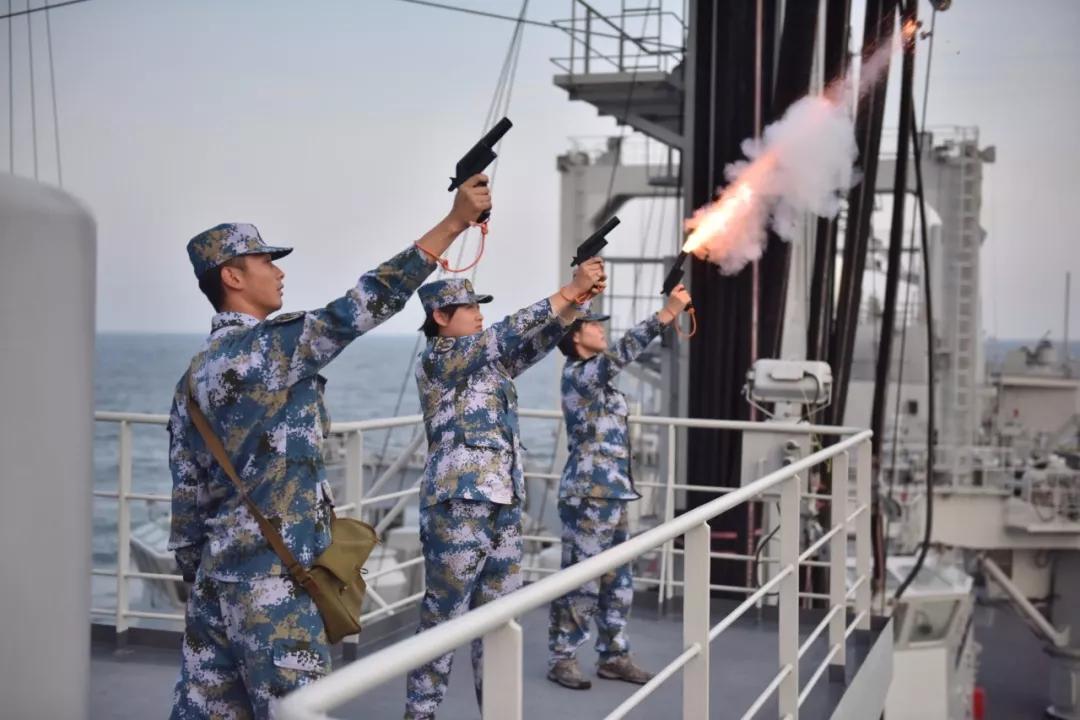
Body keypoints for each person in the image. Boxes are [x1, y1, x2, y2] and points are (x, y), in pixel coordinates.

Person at [167, 174, 490, 719]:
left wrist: (201, 577)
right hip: (276, 585)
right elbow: (363, 304)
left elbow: (187, 494)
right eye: (266, 262)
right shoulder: (267, 349)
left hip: (215, 583)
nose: (279, 270)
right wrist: (455, 223)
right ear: (232, 276)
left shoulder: (193, 377)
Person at [404, 258, 607, 719]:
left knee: (499, 624)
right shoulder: (440, 359)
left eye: (479, 306)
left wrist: (576, 304)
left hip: (503, 506)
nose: (478, 313)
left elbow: (534, 341)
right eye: (468, 307)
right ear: (439, 317)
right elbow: (508, 332)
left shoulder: (487, 366)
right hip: (457, 509)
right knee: (443, 621)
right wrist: (566, 288)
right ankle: (419, 715)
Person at [546, 284, 693, 690]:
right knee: (582, 579)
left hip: (614, 493)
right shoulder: (580, 376)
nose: (602, 330)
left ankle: (614, 655)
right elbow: (620, 353)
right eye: (594, 325)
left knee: (618, 580)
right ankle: (563, 659)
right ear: (575, 336)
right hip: (589, 495)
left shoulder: (600, 382)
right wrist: (665, 315)